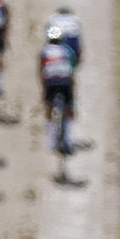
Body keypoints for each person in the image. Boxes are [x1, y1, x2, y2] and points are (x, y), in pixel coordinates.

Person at [40, 27, 78, 155]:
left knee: (49, 107)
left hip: (50, 82)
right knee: (69, 108)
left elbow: (41, 71)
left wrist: (43, 88)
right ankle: (68, 138)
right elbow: (72, 70)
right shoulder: (67, 50)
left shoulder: (45, 51)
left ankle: (51, 140)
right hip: (65, 81)